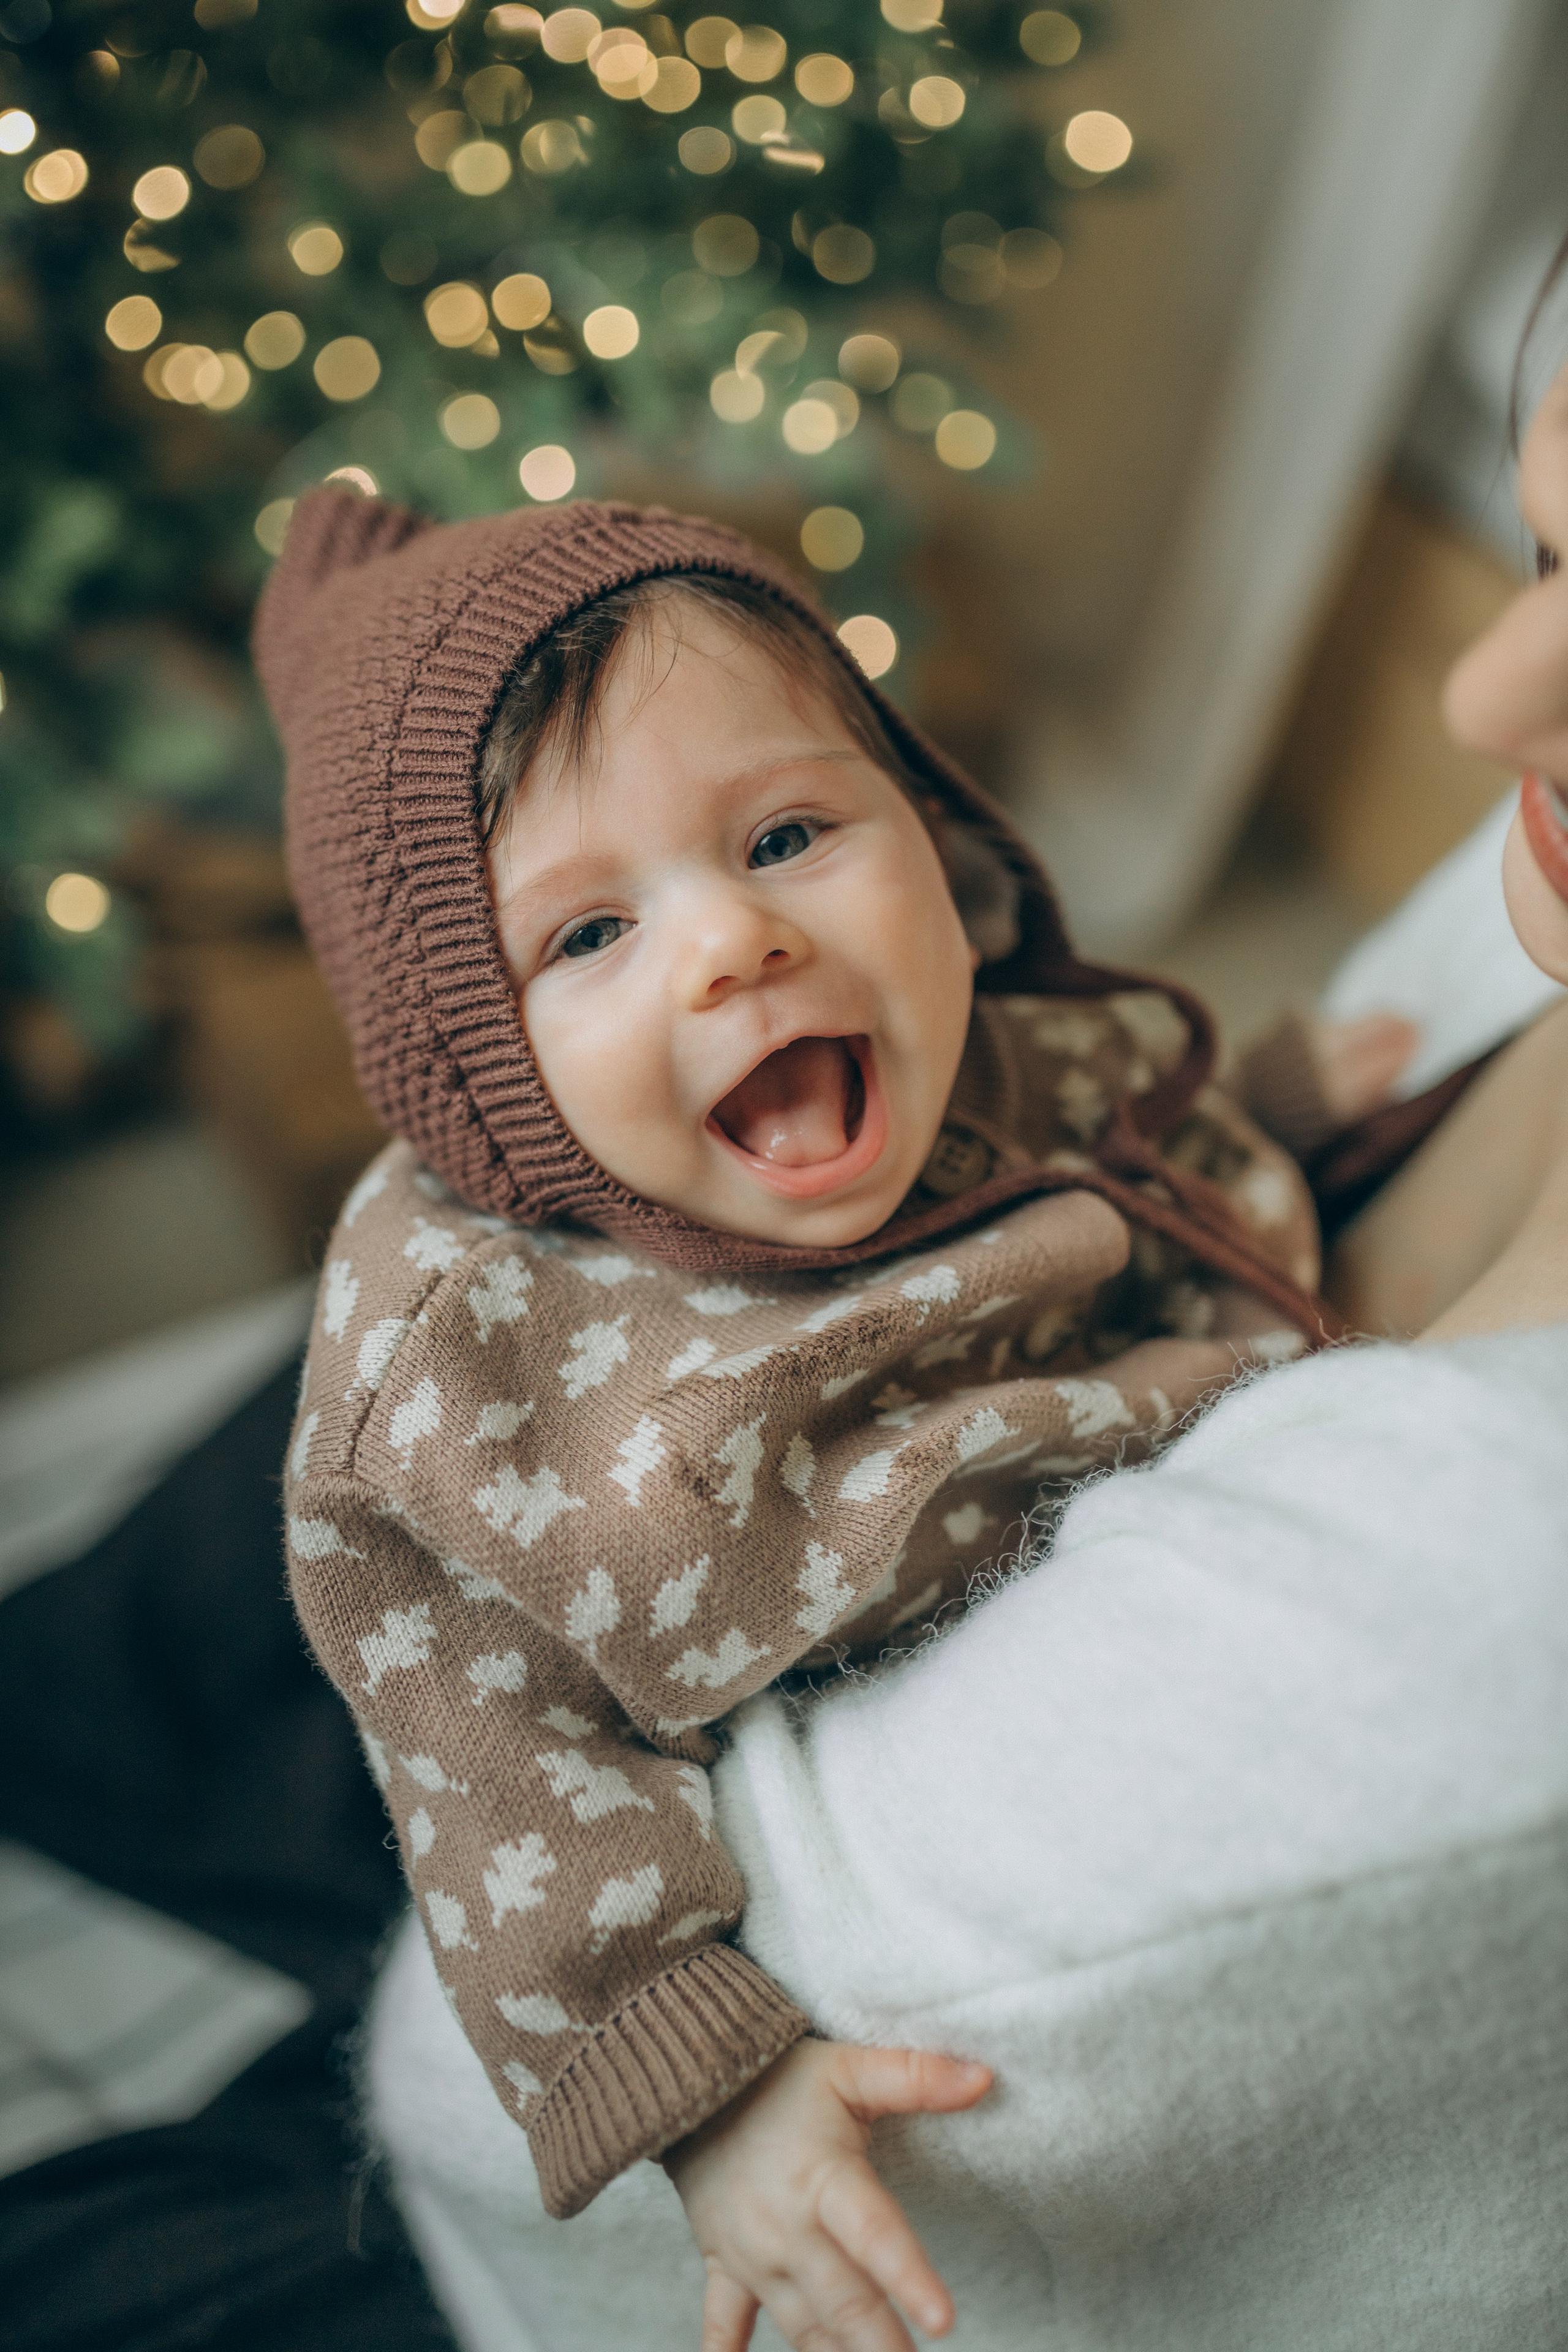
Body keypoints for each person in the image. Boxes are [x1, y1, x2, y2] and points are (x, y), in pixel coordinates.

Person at [255, 490, 1403, 2352]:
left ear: (925, 824)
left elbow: (1125, 1128)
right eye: (591, 933)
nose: (729, 944)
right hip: (649, 1766)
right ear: (470, 1064)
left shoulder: (985, 1042)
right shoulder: (470, 1389)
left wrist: (1276, 1115)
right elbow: (483, 1755)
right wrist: (693, 2089)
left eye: (788, 833)